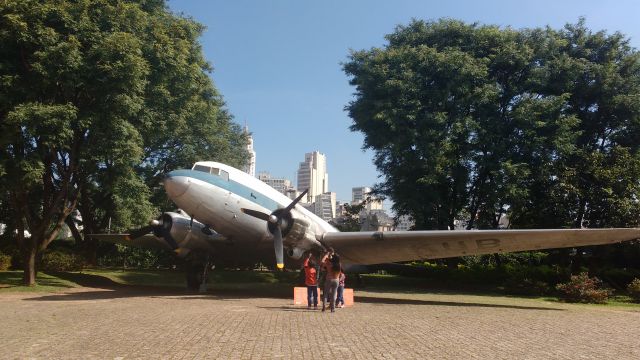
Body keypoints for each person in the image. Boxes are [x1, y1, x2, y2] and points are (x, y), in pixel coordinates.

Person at [321, 248, 341, 313]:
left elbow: (322, 262)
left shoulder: (328, 263)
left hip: (329, 279)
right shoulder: (339, 264)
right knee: (334, 294)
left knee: (326, 294)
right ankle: (333, 308)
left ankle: (324, 307)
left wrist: (326, 255)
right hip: (336, 280)